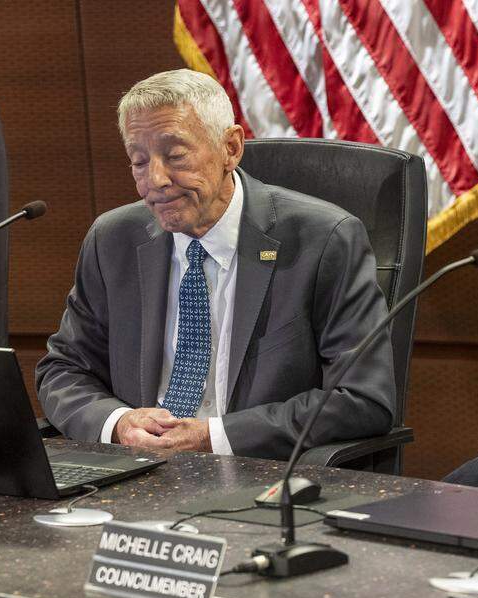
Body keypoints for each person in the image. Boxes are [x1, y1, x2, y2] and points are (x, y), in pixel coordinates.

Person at [35, 69, 395, 460]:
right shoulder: (113, 239)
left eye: (175, 156)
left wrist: (213, 436)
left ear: (231, 147)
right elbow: (63, 371)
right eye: (139, 162)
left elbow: (361, 398)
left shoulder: (324, 240)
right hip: (135, 472)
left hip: (257, 475)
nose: (155, 179)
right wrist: (118, 423)